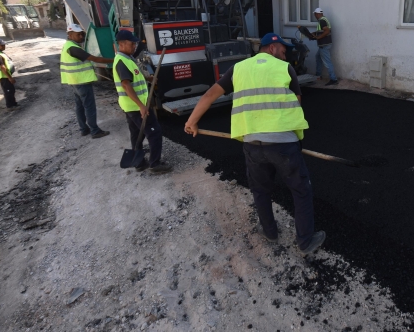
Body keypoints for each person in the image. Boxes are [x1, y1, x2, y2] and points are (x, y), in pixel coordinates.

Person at [184, 33, 326, 255]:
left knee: (260, 190)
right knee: (301, 190)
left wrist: (192, 121)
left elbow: (210, 95)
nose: (285, 55)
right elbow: (297, 104)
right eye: (283, 50)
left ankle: (270, 232)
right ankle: (305, 241)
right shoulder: (285, 68)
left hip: (252, 145)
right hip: (283, 144)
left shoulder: (238, 68)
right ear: (271, 48)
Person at [113, 30, 173, 174]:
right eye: (132, 44)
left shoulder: (127, 59)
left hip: (131, 106)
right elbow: (126, 85)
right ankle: (155, 164)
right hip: (136, 106)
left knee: (136, 134)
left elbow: (134, 78)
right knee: (154, 133)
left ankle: (139, 163)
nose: (134, 46)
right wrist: (141, 106)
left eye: (135, 44)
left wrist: (148, 78)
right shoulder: (121, 61)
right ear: (122, 44)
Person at [61, 24, 112, 139]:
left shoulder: (68, 46)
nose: (81, 36)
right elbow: (95, 59)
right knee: (89, 107)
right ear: (70, 35)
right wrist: (115, 59)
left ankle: (84, 129)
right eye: (78, 34)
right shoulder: (73, 48)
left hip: (75, 81)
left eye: (81, 34)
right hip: (82, 81)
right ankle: (95, 131)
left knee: (80, 106)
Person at [0, 38, 19, 110]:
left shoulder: (0, 52)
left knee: (11, 90)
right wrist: (10, 78)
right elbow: (2, 67)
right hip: (4, 76)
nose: (4, 46)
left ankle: (13, 103)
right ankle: (10, 106)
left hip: (5, 75)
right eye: (2, 45)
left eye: (4, 45)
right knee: (8, 91)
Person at [312, 7, 338, 86]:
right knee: (318, 57)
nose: (315, 16)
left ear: (317, 14)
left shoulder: (322, 21)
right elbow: (322, 31)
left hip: (324, 45)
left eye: (315, 14)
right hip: (325, 44)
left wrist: (318, 37)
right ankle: (318, 75)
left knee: (327, 62)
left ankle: (333, 79)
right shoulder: (324, 19)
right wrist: (314, 34)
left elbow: (326, 31)